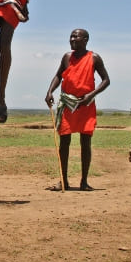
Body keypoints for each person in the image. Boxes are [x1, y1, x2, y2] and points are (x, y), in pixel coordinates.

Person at [45, 29, 110, 191]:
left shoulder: (94, 58)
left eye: (76, 36)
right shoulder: (67, 57)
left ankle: (84, 182)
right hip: (67, 103)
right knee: (64, 142)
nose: (72, 39)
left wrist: (91, 95)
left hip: (85, 104)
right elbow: (59, 75)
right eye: (71, 37)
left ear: (86, 39)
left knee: (85, 142)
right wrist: (50, 91)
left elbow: (106, 80)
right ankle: (63, 180)